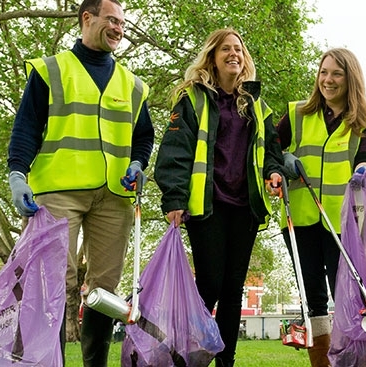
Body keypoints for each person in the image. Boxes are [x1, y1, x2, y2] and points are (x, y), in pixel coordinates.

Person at [6, 0, 154, 365]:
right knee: (54, 282)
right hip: (60, 192)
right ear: (87, 18)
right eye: (111, 20)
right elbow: (26, 127)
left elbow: (144, 136)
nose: (119, 29)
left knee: (105, 288)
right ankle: (47, 360)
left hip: (114, 196)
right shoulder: (52, 70)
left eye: (122, 23)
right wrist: (16, 174)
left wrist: (138, 162)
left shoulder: (133, 85)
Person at [153, 28, 284, 367]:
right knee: (210, 282)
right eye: (225, 49)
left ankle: (226, 359)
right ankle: (188, 352)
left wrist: (274, 172)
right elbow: (175, 152)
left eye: (238, 49)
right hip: (207, 206)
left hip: (246, 208)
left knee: (234, 286)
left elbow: (271, 151)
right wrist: (174, 198)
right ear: (212, 57)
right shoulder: (192, 99)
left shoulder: (258, 106)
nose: (233, 54)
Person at [277, 47, 366, 367]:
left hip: (344, 223)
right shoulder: (297, 114)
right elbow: (267, 148)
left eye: (337, 73)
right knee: (313, 300)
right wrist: (281, 160)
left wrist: (364, 168)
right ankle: (321, 363)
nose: (328, 79)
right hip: (301, 218)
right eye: (324, 72)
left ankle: (356, 360)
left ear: (350, 78)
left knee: (349, 298)